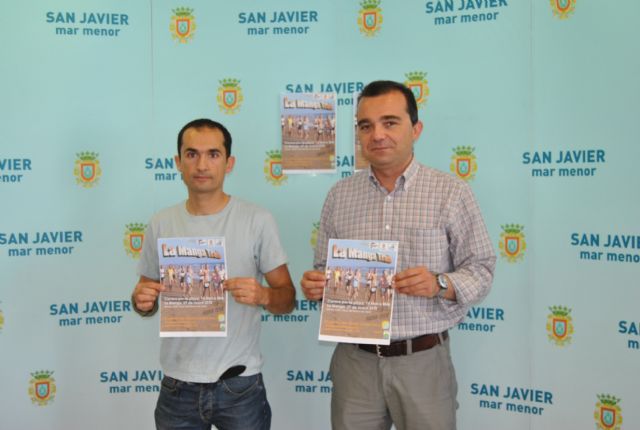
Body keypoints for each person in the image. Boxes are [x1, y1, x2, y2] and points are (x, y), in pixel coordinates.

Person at [301, 80, 496, 430]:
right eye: (366, 126)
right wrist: (318, 287)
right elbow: (323, 270)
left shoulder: (451, 192)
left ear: (416, 129)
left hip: (422, 362)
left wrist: (439, 283)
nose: (377, 134)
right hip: (355, 363)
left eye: (389, 122)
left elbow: (481, 270)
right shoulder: (339, 196)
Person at [132, 118, 296, 430]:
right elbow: (145, 298)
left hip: (240, 385)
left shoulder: (257, 220)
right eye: (192, 154)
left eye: (213, 154)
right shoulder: (161, 223)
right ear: (178, 162)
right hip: (177, 385)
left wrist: (264, 295)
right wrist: (142, 300)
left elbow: (287, 298)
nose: (202, 165)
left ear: (229, 163)